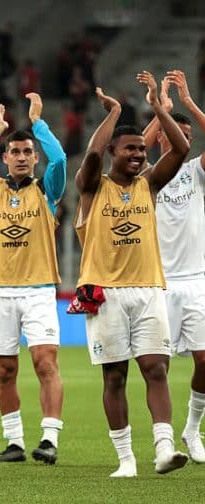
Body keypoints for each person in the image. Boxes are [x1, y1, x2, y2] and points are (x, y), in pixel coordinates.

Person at [73, 73, 189, 477]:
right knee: (115, 377)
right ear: (113, 153)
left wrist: (158, 106)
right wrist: (118, 112)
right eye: (131, 149)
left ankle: (164, 449)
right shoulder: (92, 186)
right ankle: (125, 460)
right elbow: (90, 154)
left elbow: (182, 148)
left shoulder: (149, 185)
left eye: (142, 149)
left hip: (148, 290)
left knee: (156, 369)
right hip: (104, 294)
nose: (140, 155)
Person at [0, 93, 66, 464]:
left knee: (45, 363)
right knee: (4, 369)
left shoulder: (47, 190)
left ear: (34, 157)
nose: (22, 157)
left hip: (39, 290)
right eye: (15, 152)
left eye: (27, 152)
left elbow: (61, 159)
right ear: (5, 158)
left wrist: (38, 123)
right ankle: (14, 443)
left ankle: (50, 439)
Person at [144, 70, 205, 463]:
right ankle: (162, 443)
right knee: (158, 367)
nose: (178, 139)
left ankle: (192, 429)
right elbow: (136, 144)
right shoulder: (143, 177)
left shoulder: (197, 172)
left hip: (197, 279)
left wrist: (186, 103)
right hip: (158, 281)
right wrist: (157, 110)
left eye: (184, 135)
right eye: (169, 133)